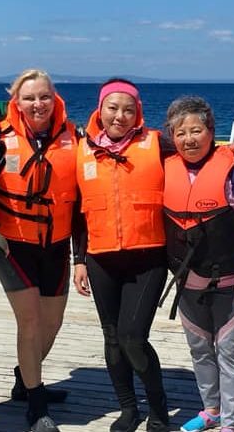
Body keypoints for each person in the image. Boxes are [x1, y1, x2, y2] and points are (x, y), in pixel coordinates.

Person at [72, 78, 171, 432]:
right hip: (100, 258)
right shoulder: (81, 150)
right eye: (112, 108)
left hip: (148, 257)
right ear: (100, 110)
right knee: (112, 338)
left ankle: (158, 409)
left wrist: (230, 152)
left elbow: (198, 151)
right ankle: (129, 408)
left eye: (128, 109)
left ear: (138, 113)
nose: (120, 116)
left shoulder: (158, 144)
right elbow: (77, 211)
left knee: (133, 337)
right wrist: (78, 260)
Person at [161, 96, 234, 432]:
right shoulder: (165, 166)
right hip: (188, 281)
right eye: (181, 133)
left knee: (228, 351)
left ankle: (230, 423)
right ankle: (212, 410)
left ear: (211, 132)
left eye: (197, 131)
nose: (189, 139)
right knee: (200, 348)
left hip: (230, 280)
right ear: (172, 137)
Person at [0, 69, 78, 432]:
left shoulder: (75, 137)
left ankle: (25, 378)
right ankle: (36, 406)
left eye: (44, 97)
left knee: (52, 323)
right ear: (17, 102)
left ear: (54, 99)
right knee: (30, 322)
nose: (38, 104)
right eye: (29, 98)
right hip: (12, 244)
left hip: (56, 245)